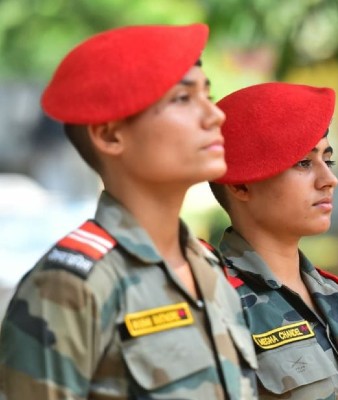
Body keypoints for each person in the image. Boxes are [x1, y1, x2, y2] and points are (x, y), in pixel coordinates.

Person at [0, 24, 258, 399]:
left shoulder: (207, 265)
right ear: (109, 135)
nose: (214, 115)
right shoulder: (68, 287)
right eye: (183, 99)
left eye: (208, 94)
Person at [208, 82, 338, 399]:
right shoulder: (216, 302)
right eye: (303, 163)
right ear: (242, 186)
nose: (329, 179)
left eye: (327, 161)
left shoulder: (329, 291)